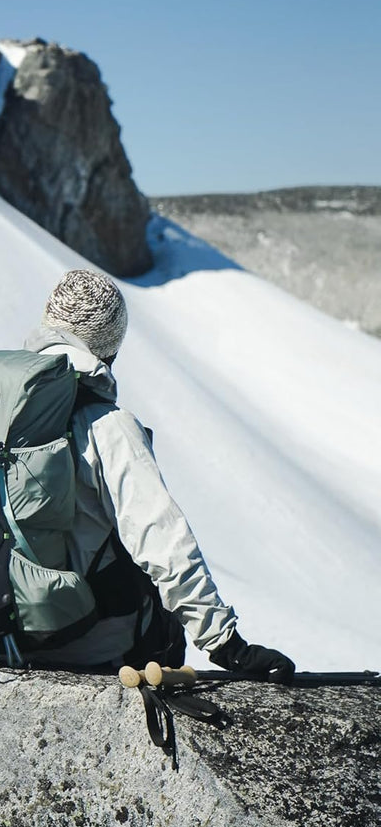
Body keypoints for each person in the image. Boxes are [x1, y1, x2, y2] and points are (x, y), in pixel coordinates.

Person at [23, 268, 295, 683]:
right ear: (109, 346)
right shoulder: (106, 425)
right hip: (85, 635)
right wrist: (227, 646)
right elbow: (161, 541)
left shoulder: (4, 409)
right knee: (162, 624)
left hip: (10, 627)